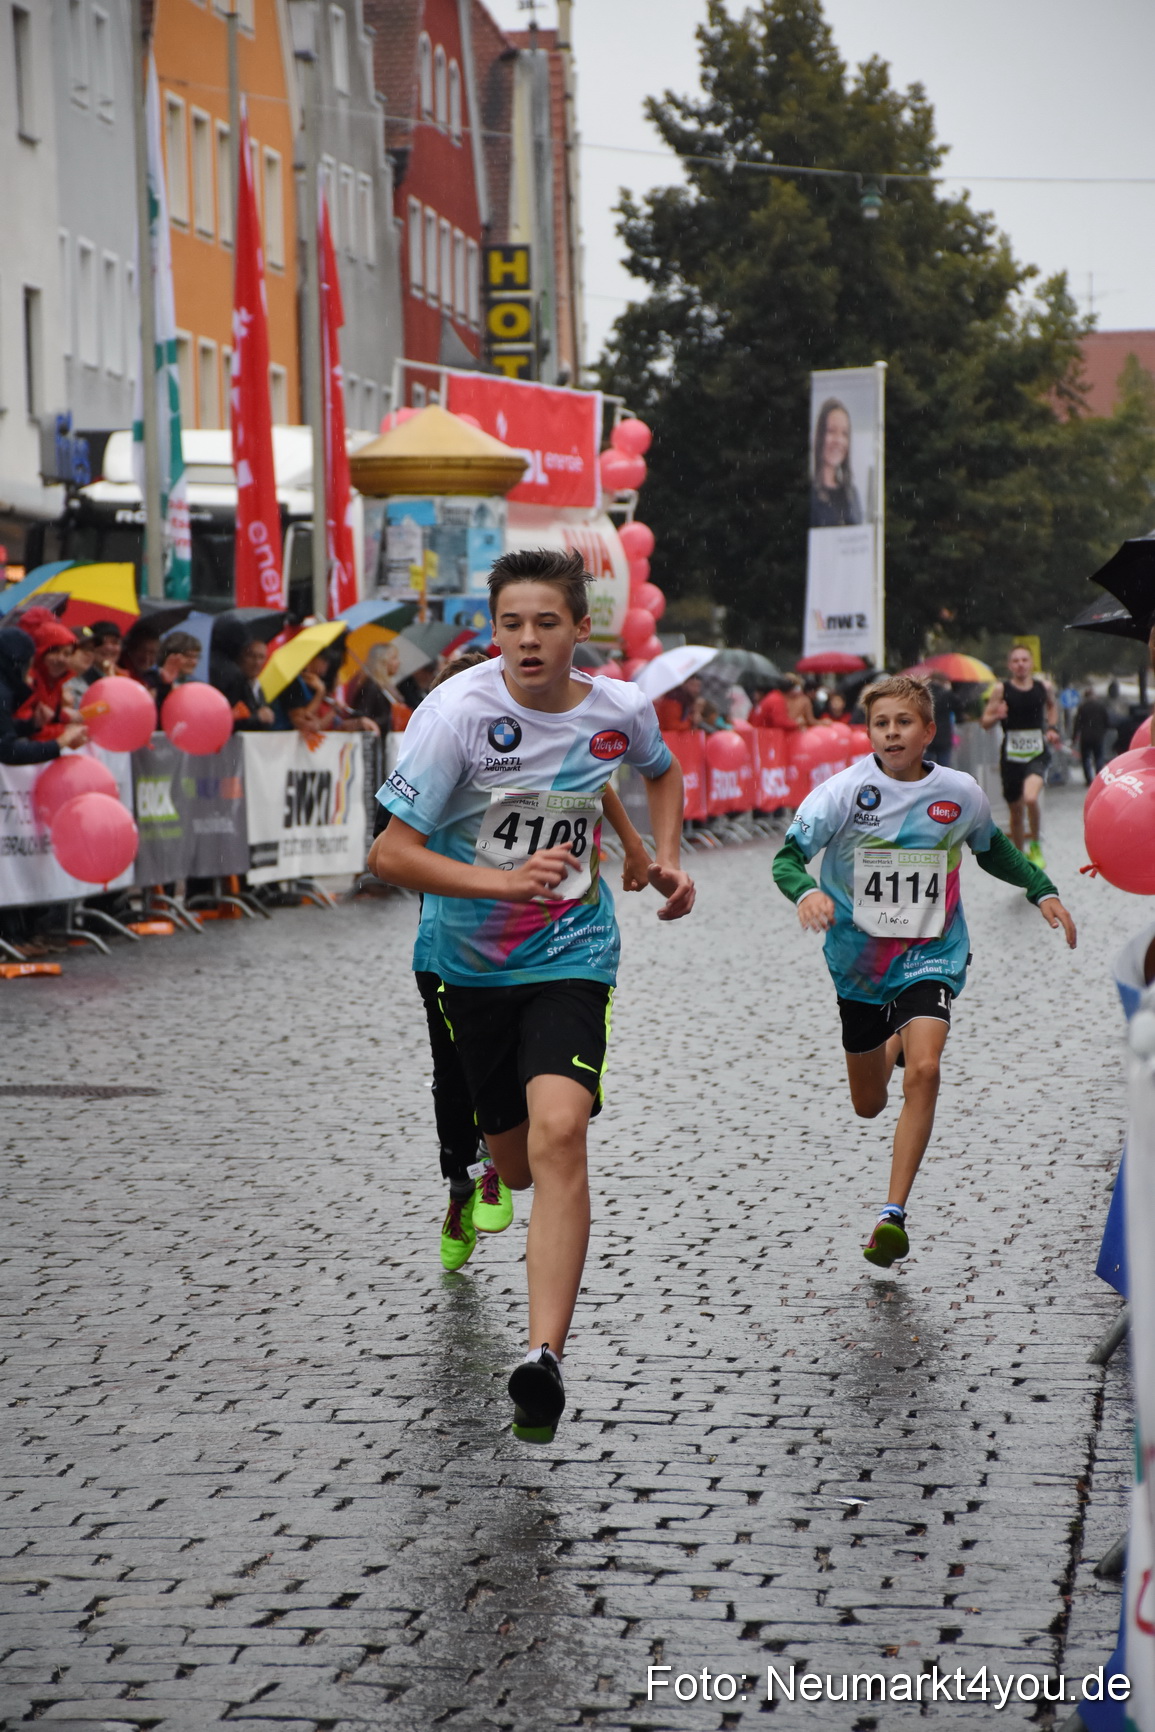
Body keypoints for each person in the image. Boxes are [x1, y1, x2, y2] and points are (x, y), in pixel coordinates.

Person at [369, 547, 695, 1441]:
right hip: (468, 965)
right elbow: (389, 854)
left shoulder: (617, 707)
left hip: (572, 951)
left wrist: (658, 856)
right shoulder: (458, 718)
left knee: (561, 1135)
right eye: (510, 623)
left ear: (578, 629)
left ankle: (542, 1356)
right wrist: (500, 886)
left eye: (545, 622)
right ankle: (479, 1161)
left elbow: (652, 767)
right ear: (494, 631)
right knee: (510, 1165)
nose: (526, 639)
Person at [772, 675, 1076, 1269]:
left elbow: (992, 849)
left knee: (928, 1067)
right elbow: (787, 857)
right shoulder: (841, 792)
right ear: (869, 732)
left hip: (931, 950)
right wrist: (805, 892)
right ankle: (893, 1040)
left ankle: (892, 1213)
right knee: (868, 1104)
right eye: (881, 723)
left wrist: (1042, 890)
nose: (892, 732)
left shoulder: (959, 793)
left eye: (904, 722)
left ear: (928, 731)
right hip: (857, 963)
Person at [980, 646, 1060, 867]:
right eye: (1015, 660)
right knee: (1015, 811)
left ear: (1031, 663)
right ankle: (1018, 855)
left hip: (1037, 752)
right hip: (1011, 756)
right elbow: (985, 722)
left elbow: (1052, 707)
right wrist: (997, 715)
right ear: (1009, 665)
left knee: (1031, 798)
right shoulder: (1000, 690)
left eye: (1024, 660)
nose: (1020, 664)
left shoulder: (1043, 687)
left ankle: (1035, 844)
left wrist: (1052, 727)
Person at [0, 628, 87, 764]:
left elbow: (5, 730)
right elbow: (7, 750)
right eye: (55, 651)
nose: (61, 659)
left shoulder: (55, 684)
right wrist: (60, 740)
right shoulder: (14, 688)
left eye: (67, 654)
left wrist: (32, 724)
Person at [810, 398, 863, 528]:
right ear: (820, 436)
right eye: (831, 431)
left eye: (844, 434)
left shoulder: (852, 493)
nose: (838, 440)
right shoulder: (809, 494)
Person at [1072, 686, 1110, 785]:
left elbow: (1077, 723)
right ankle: (1098, 778)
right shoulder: (1101, 706)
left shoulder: (1082, 707)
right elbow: (1107, 721)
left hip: (1085, 736)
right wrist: (1104, 731)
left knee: (1085, 759)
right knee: (1099, 757)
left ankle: (1088, 780)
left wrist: (1074, 737)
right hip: (1098, 736)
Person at [924, 670, 955, 767]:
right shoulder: (946, 694)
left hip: (927, 734)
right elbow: (958, 707)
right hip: (944, 735)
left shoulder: (924, 694)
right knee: (944, 767)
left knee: (925, 767)